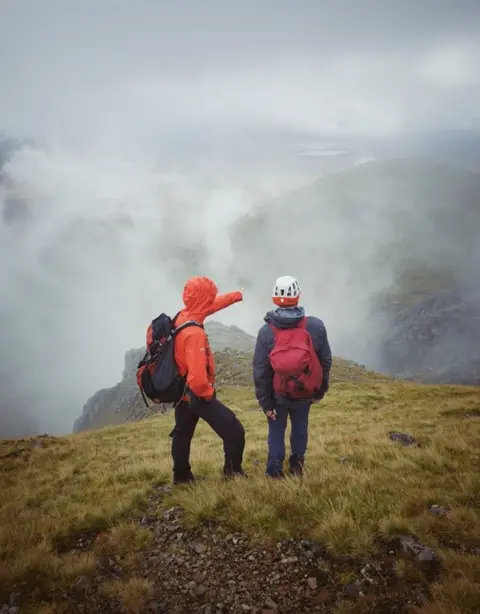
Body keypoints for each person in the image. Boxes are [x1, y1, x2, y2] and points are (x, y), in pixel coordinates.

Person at [253, 276, 332, 478]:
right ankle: (297, 467)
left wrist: (266, 403)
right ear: (298, 296)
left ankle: (274, 471)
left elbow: (260, 371)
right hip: (304, 392)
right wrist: (319, 391)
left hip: (278, 393)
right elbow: (325, 361)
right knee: (299, 429)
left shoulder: (266, 331)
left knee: (276, 431)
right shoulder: (315, 326)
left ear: (274, 297)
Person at [169, 276, 246, 484]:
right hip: (196, 394)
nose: (212, 300)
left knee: (182, 434)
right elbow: (197, 380)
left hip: (182, 394)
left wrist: (236, 296)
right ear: (203, 299)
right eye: (210, 296)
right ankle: (233, 473)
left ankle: (181, 476)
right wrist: (208, 395)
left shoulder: (183, 315)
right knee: (234, 431)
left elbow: (212, 306)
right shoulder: (194, 334)